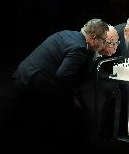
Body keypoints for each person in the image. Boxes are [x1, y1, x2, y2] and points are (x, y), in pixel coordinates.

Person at [11, 18, 109, 153]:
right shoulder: (80, 48)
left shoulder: (68, 34)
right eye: (103, 40)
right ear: (93, 38)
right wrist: (73, 98)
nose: (104, 44)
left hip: (23, 75)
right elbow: (63, 76)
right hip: (35, 83)